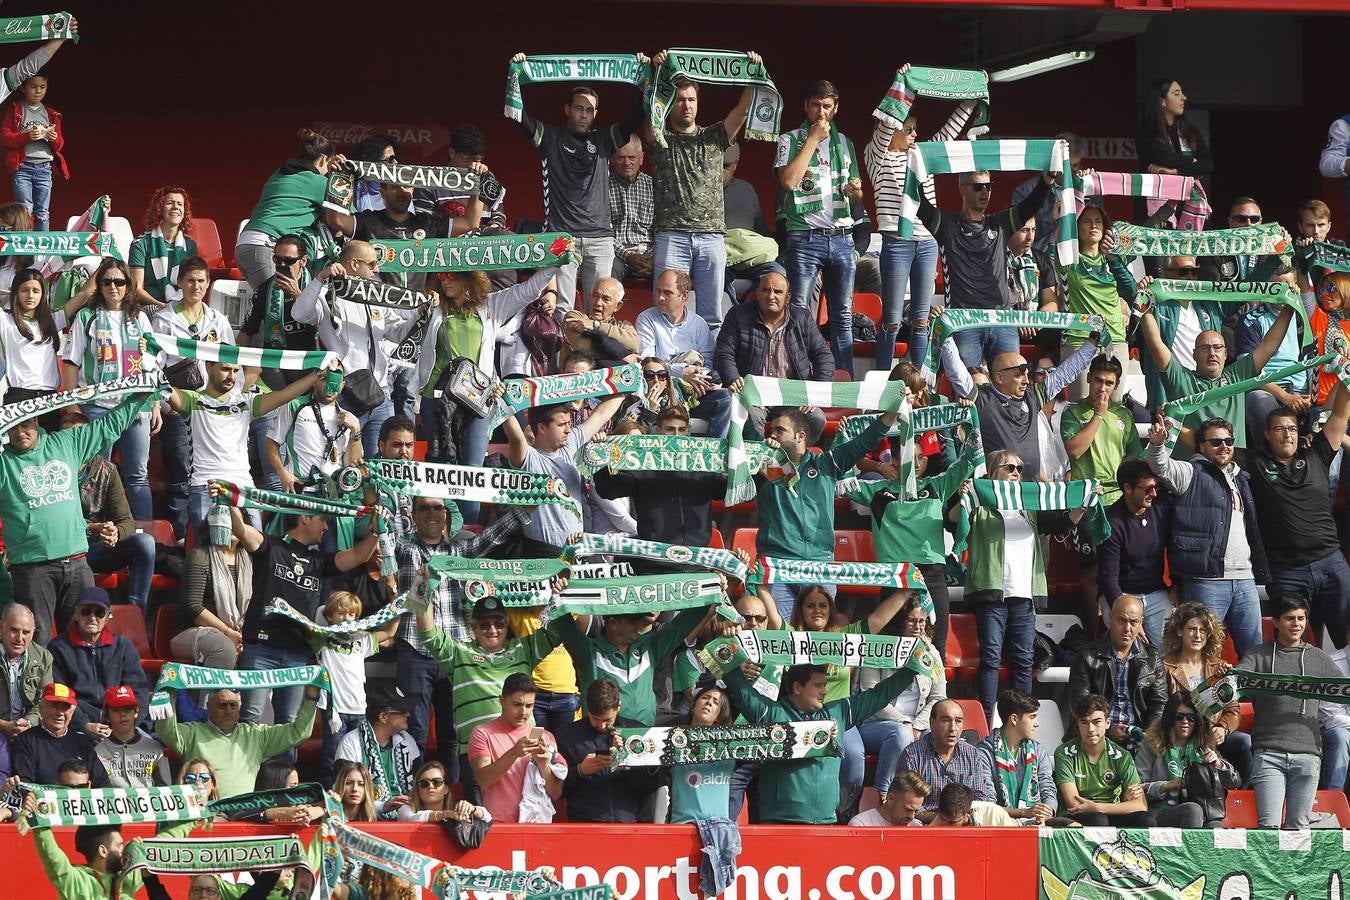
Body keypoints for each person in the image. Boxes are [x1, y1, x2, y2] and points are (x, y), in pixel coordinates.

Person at [0, 386, 154, 645]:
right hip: (32, 570)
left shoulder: (68, 442)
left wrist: (143, 393)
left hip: (78, 563)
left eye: (25, 423)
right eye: (12, 426)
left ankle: (80, 688)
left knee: (84, 644)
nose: (20, 432)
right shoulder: (4, 463)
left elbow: (111, 423)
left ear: (36, 419)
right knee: (37, 647)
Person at [394, 496, 530, 764]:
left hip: (456, 654)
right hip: (415, 650)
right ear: (414, 514)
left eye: (438, 507)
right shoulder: (403, 548)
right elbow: (384, 528)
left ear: (446, 514)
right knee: (415, 731)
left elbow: (493, 535)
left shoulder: (460, 552)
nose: (432, 513)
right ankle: (416, 796)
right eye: (424, 508)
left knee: (452, 733)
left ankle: (453, 797)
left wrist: (530, 503)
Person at [963, 447, 1095, 721]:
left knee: (1023, 662)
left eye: (1019, 469)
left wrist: (1084, 502)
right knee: (991, 660)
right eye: (1009, 468)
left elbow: (1061, 523)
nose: (1016, 473)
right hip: (992, 595)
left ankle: (1023, 721)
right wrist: (963, 493)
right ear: (992, 473)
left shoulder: (1029, 508)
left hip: (1024, 596)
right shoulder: (978, 505)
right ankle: (986, 721)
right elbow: (954, 519)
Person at [226, 493, 380, 725]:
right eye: (323, 520)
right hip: (262, 648)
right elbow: (241, 530)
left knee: (289, 724)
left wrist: (377, 529)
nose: (326, 527)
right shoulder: (271, 545)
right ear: (305, 518)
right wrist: (229, 500)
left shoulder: (319, 561)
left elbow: (360, 555)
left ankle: (287, 764)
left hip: (297, 652)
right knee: (251, 719)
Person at [865, 63, 980, 370]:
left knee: (919, 317)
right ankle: (881, 378)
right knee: (890, 319)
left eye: (916, 129)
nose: (914, 134)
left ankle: (918, 381)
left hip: (927, 241)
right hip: (897, 240)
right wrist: (903, 86)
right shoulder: (877, 156)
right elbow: (887, 125)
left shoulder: (923, 155)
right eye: (909, 129)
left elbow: (951, 131)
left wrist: (973, 96)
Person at [508, 62, 648, 310]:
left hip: (601, 239)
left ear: (596, 113)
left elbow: (636, 118)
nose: (584, 115)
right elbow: (519, 117)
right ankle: (563, 351)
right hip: (562, 235)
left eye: (590, 110)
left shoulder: (604, 140)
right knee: (562, 307)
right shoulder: (550, 137)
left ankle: (591, 351)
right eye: (579, 109)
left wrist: (643, 79)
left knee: (601, 309)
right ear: (567, 109)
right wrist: (515, 77)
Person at [644, 48, 763, 330]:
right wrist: (654, 74)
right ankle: (661, 370)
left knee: (711, 316)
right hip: (672, 235)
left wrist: (753, 75)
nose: (686, 105)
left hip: (711, 237)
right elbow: (650, 114)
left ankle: (709, 371)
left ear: (698, 103)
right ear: (671, 103)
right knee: (666, 309)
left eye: (692, 99)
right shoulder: (661, 139)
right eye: (681, 100)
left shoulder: (715, 136)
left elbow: (742, 111)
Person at [415, 263, 563, 490]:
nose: (445, 280)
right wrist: (421, 309)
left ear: (470, 279)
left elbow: (530, 289)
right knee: (439, 470)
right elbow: (399, 325)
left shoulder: (490, 305)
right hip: (435, 398)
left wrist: (558, 261)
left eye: (451, 274)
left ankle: (469, 526)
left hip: (481, 399)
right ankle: (443, 524)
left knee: (472, 471)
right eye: (441, 276)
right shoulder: (433, 306)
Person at [725, 660, 922, 825]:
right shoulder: (770, 714)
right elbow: (738, 687)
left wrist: (912, 668)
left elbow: (879, 695)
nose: (824, 691)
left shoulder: (838, 712)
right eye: (818, 686)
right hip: (779, 823)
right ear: (797, 687)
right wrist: (728, 656)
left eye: (825, 686)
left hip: (825, 823)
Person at [417, 589, 567, 802]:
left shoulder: (523, 648)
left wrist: (559, 594)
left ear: (508, 626)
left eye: (499, 623)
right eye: (485, 624)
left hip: (524, 746)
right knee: (481, 822)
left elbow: (556, 631)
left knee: (529, 813)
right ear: (473, 627)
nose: (493, 629)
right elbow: (427, 633)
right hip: (477, 750)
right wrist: (423, 588)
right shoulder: (459, 653)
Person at [755, 405, 898, 619]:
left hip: (819, 565)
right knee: (780, 644)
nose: (772, 434)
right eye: (771, 431)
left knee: (819, 642)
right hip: (777, 564)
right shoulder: (764, 466)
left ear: (800, 436)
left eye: (779, 430)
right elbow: (741, 442)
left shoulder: (827, 464)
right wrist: (759, 450)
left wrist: (891, 412)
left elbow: (864, 442)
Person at [1147, 416, 1266, 655]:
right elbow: (1161, 465)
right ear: (1201, 446)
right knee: (1200, 656)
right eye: (1216, 442)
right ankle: (1200, 695)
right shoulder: (1190, 471)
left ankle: (1252, 695)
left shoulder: (1240, 477)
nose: (1224, 446)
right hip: (1205, 580)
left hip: (1245, 578)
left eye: (1229, 441)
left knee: (1255, 657)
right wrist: (1158, 445)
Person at [173, 362, 333, 539]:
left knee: (256, 553)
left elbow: (285, 395)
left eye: (235, 370)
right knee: (211, 553)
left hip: (244, 489)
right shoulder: (192, 399)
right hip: (205, 485)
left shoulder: (245, 402)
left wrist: (318, 374)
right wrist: (148, 359)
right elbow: (164, 389)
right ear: (209, 367)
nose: (231, 376)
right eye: (225, 369)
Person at [291, 241, 423, 456]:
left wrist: (419, 313)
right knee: (345, 459)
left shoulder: (376, 295)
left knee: (379, 465)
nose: (376, 269)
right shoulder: (327, 292)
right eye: (371, 264)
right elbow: (299, 314)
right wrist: (320, 278)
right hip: (345, 392)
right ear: (353, 263)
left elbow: (397, 332)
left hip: (380, 392)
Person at [915, 163, 1053, 369]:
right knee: (969, 385)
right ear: (962, 189)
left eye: (989, 186)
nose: (985, 192)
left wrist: (1047, 181)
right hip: (965, 320)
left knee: (1011, 380)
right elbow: (918, 202)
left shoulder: (1001, 223)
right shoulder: (945, 224)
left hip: (1002, 319)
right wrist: (912, 167)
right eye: (978, 187)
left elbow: (1032, 204)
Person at [1247, 394, 1350, 650]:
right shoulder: (1255, 464)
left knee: (1347, 636)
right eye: (1279, 429)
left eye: (1292, 429)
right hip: (1286, 571)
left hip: (1330, 563)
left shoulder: (1318, 453)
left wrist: (1345, 376)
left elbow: (1339, 415)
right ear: (1268, 434)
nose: (1287, 435)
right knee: (1293, 648)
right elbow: (1208, 445)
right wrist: (1176, 417)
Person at [776, 80, 865, 372]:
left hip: (841, 237)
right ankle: (799, 381)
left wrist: (856, 194)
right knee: (799, 313)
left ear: (836, 108)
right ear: (805, 106)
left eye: (827, 106)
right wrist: (812, 139)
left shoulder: (846, 143)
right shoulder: (789, 139)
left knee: (842, 316)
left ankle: (843, 384)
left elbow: (855, 202)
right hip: (805, 237)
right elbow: (788, 182)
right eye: (816, 105)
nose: (821, 113)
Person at [62, 257, 159, 521]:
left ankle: (145, 536)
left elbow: (152, 364)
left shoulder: (139, 317)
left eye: (119, 281)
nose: (113, 287)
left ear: (128, 285)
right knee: (94, 474)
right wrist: (72, 405)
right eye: (107, 282)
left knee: (138, 476)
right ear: (99, 285)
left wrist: (155, 404)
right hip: (97, 408)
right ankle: (93, 534)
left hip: (134, 408)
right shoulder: (87, 316)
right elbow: (71, 362)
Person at [942, 328, 1099, 481]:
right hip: (998, 492)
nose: (1025, 380)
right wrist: (944, 333)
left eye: (1026, 374)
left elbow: (1066, 373)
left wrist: (1092, 344)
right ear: (999, 377)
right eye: (1018, 375)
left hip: (1030, 493)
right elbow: (956, 372)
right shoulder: (982, 399)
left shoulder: (1033, 396)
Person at [1241, 594, 1341, 829]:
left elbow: (1344, 689)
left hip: (1308, 754)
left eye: (1301, 618)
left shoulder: (1317, 656)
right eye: (1289, 618)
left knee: (1299, 831)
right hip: (1268, 754)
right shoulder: (1258, 654)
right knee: (1269, 830)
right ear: (1275, 622)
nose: (1296, 624)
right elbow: (1236, 680)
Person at [1140, 300, 1293, 452]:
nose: (1212, 353)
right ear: (1194, 354)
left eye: (1217, 347)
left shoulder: (1237, 376)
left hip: (1233, 470)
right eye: (1205, 348)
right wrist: (1144, 303)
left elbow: (1269, 346)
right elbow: (1156, 345)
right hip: (1194, 470)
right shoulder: (1181, 378)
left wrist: (1289, 306)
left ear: (1226, 353)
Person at [714, 270, 834, 443]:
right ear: (757, 293)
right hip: (753, 395)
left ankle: (795, 465)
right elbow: (724, 352)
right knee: (750, 417)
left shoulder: (802, 318)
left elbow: (824, 356)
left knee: (816, 418)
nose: (771, 296)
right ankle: (757, 466)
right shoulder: (738, 315)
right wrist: (732, 377)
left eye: (778, 292)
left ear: (788, 297)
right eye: (766, 290)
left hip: (791, 395)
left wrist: (814, 393)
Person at [594, 406, 727, 553]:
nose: (676, 436)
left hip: (697, 560)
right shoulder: (642, 468)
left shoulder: (703, 470)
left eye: (681, 430)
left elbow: (735, 491)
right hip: (655, 561)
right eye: (670, 429)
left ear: (688, 432)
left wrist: (753, 471)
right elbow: (608, 490)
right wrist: (602, 460)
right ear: (657, 431)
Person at [60, 412, 157, 613]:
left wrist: (115, 533)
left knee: (145, 542)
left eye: (81, 435)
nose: (75, 441)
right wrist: (91, 528)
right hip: (61, 550)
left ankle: (136, 613)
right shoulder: (51, 469)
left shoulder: (107, 470)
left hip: (94, 550)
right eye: (68, 436)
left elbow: (127, 522)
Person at [504, 396, 625, 555]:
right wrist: (501, 400)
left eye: (568, 423)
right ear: (542, 428)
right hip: (541, 556)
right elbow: (516, 438)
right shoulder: (528, 458)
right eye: (562, 424)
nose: (568, 429)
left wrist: (627, 383)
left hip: (577, 553)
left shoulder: (572, 442)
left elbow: (602, 414)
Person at [854, 594, 947, 799]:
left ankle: (932, 800)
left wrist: (918, 725)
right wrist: (904, 722)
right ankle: (884, 794)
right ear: (899, 620)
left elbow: (939, 697)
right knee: (900, 734)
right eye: (912, 621)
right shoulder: (878, 648)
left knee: (944, 737)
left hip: (916, 726)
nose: (917, 627)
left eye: (922, 621)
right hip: (876, 723)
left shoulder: (932, 653)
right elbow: (870, 695)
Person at [154, 685, 320, 798]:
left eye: (233, 705)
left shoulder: (256, 735)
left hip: (242, 812)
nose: (228, 710)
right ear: (209, 706)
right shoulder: (193, 732)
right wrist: (167, 694)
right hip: (205, 811)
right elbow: (165, 730)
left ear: (240, 708)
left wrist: (311, 697)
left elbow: (299, 733)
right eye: (222, 705)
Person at [235, 128, 345, 290]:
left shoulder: (278, 173)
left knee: (268, 305)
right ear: (323, 160)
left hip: (245, 245)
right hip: (266, 248)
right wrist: (340, 176)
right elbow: (346, 214)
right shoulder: (319, 183)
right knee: (277, 308)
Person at [1159, 602, 1251, 785]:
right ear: (1179, 631)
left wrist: (1223, 728)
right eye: (1192, 629)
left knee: (1245, 742)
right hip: (1181, 732)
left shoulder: (1218, 666)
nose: (1197, 635)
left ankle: (1239, 797)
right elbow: (1161, 707)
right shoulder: (1165, 666)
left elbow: (1233, 710)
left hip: (1210, 732)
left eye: (1202, 631)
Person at [312, 590, 394, 784]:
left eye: (351, 615)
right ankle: (331, 804)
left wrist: (398, 607)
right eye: (341, 613)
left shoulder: (362, 639)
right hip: (335, 711)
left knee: (360, 760)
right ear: (330, 616)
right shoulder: (322, 638)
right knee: (334, 761)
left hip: (359, 709)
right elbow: (319, 613)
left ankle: (359, 806)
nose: (347, 619)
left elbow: (390, 632)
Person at [636, 269, 730, 436]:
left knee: (725, 399)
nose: (660, 297)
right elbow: (646, 363)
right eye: (658, 291)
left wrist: (698, 378)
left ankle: (714, 456)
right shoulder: (647, 318)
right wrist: (681, 372)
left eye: (667, 293)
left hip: (695, 392)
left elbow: (708, 361)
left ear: (684, 296)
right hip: (661, 392)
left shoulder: (698, 323)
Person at [1069, 594, 1170, 748]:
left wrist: (1146, 735)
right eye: (1122, 620)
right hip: (1097, 737)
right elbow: (1080, 705)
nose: (1127, 628)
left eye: (1133, 622)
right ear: (1110, 618)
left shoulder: (1152, 657)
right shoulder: (1086, 655)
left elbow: (1159, 704)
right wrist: (1107, 730)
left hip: (1141, 737)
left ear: (1141, 623)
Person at [1055, 208, 1138, 395]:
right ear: (1076, 227)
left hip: (1115, 338)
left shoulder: (1116, 257)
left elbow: (1130, 290)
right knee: (1081, 403)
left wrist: (1112, 257)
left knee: (1114, 405)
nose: (1093, 225)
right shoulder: (1068, 258)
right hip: (1079, 338)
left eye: (1098, 221)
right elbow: (1057, 227)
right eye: (1087, 221)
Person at [468, 673, 567, 823]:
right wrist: (513, 753)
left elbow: (555, 792)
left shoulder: (546, 737)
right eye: (517, 705)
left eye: (529, 706)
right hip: (498, 824)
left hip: (537, 825)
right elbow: (483, 780)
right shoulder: (482, 733)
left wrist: (543, 765)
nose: (524, 712)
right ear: (501, 701)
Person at [47, 587, 148, 733]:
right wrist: (84, 724)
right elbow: (60, 696)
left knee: (152, 751)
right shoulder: (58, 648)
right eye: (86, 611)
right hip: (76, 727)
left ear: (107, 617)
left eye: (99, 612)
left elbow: (139, 691)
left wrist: (125, 725)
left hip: (122, 725)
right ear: (76, 614)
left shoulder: (123, 646)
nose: (92, 617)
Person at [1098, 458, 1174, 648]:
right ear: (1128, 488)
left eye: (1156, 487)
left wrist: (1177, 585)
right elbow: (1108, 578)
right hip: (1122, 593)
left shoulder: (1161, 507)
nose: (1154, 493)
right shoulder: (1111, 522)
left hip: (1156, 593)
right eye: (1148, 489)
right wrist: (1130, 619)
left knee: (1168, 651)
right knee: (1129, 650)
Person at [556, 678, 655, 822]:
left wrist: (625, 761)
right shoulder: (567, 735)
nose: (602, 726)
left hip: (630, 822)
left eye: (607, 720)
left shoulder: (636, 732)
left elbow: (650, 786)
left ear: (618, 706)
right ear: (587, 709)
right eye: (595, 719)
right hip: (584, 823)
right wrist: (580, 771)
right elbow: (557, 790)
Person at [1136, 691, 1239, 828]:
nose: (1185, 722)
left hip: (1204, 813)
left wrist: (1218, 764)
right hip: (1162, 813)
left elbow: (1235, 782)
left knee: (1216, 827)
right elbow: (1136, 789)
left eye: (1191, 718)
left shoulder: (1204, 744)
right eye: (1179, 717)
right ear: (1169, 718)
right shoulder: (1151, 743)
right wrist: (1167, 785)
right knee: (1192, 810)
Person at [1054, 693, 1154, 827]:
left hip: (1108, 813)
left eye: (1096, 722)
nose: (1090, 729)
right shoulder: (1064, 753)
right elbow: (1075, 805)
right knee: (1098, 819)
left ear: (1107, 723)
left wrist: (1096, 807)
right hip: (1077, 817)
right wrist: (1122, 805)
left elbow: (1140, 805)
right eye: (1084, 722)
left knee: (1146, 819)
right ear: (1077, 724)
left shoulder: (1122, 756)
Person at [0, 268, 81, 427]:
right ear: (15, 292)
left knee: (47, 450)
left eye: (35, 291)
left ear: (42, 295)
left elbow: (84, 295)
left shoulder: (51, 320)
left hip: (50, 399)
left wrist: (105, 256)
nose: (30, 295)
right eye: (24, 290)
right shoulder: (5, 320)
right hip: (19, 397)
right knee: (22, 451)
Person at [265, 364, 363, 495]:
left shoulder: (349, 420)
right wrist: (283, 474)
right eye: (324, 379)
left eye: (335, 380)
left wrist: (356, 431)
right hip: (300, 487)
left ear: (342, 385)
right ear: (314, 382)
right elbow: (271, 444)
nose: (330, 385)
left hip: (334, 492)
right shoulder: (295, 405)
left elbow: (352, 464)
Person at [896, 698, 992, 819]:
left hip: (963, 823)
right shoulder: (912, 755)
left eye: (958, 721)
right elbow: (908, 803)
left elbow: (980, 797)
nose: (952, 728)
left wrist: (961, 818)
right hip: (925, 825)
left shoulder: (973, 755)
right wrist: (943, 819)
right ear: (932, 723)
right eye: (945, 720)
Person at [975, 690, 1058, 826]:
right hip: (1000, 822)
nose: (1037, 723)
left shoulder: (1038, 749)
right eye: (1032, 717)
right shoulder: (984, 752)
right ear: (1014, 719)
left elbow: (1048, 788)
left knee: (1073, 827)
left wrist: (1047, 813)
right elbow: (988, 805)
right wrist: (1024, 813)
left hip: (1039, 821)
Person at [334, 691, 420, 819]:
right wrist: (382, 806)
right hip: (366, 818)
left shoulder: (408, 741)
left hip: (407, 814)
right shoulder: (351, 742)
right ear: (383, 717)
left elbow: (420, 784)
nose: (408, 714)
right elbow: (341, 791)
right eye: (402, 711)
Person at [11, 682, 109, 786]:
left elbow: (103, 783)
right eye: (54, 705)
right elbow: (24, 784)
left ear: (72, 712)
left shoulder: (82, 742)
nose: (60, 712)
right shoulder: (26, 740)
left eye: (65, 707)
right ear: (41, 708)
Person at [2, 73, 64, 233]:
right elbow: (5, 137)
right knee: (25, 210)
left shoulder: (51, 114)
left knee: (43, 212)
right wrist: (27, 136)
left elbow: (58, 145)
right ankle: (24, 254)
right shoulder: (16, 110)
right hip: (23, 168)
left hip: (44, 169)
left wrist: (53, 138)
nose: (38, 91)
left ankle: (41, 253)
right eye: (33, 87)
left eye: (42, 87)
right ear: (23, 88)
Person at [667, 683, 735, 823]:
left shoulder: (732, 744)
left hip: (720, 827)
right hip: (683, 824)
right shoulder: (672, 740)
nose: (709, 702)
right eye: (705, 697)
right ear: (693, 706)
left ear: (719, 715)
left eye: (716, 702)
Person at [1135, 79, 1213, 189]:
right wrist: (1193, 161)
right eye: (1176, 94)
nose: (1184, 97)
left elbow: (1207, 164)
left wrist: (1176, 171)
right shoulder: (1145, 132)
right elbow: (1164, 158)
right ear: (1162, 101)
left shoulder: (1189, 131)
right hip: (1154, 200)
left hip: (1185, 200)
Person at [129, 186, 198, 306]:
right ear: (159, 209)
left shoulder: (190, 246)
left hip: (182, 306)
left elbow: (193, 284)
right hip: (150, 306)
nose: (176, 207)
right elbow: (137, 289)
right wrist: (163, 307)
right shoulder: (141, 244)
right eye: (170, 203)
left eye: (180, 204)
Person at [94, 684, 170, 789]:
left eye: (128, 708)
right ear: (107, 716)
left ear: (136, 712)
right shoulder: (97, 753)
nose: (123, 714)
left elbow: (166, 790)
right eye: (116, 709)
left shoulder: (155, 749)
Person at [0, 604, 51, 750]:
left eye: (26, 632)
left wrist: (28, 722)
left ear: (33, 633)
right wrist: (3, 725)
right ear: (1, 628)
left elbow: (44, 700)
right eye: (14, 630)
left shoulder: (43, 658)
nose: (20, 638)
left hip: (29, 730)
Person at [562, 277, 639, 366]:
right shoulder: (575, 317)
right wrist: (623, 356)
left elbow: (633, 344)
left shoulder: (624, 326)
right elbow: (583, 350)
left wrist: (596, 326)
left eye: (606, 299)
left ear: (618, 306)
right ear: (589, 297)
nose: (598, 303)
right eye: (595, 295)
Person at [609, 135, 654, 282]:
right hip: (616, 253)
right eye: (621, 158)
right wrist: (628, 256)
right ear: (612, 159)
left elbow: (662, 229)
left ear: (641, 158)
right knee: (609, 271)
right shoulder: (601, 187)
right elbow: (602, 232)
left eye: (632, 157)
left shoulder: (654, 186)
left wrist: (651, 258)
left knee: (670, 273)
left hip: (649, 254)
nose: (626, 162)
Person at [397, 759, 491, 825]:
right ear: (417, 788)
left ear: (446, 789)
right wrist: (445, 814)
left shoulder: (455, 809)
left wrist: (473, 809)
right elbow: (412, 819)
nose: (431, 786)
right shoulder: (406, 809)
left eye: (437, 782)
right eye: (424, 783)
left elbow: (488, 817)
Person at [847, 770, 931, 827]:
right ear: (890, 798)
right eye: (908, 809)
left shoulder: (916, 827)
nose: (911, 816)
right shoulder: (861, 825)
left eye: (916, 811)